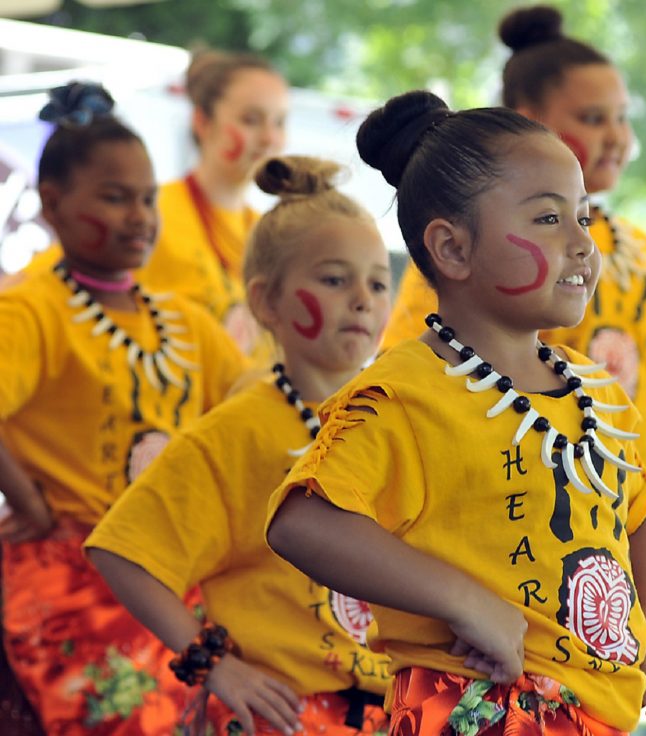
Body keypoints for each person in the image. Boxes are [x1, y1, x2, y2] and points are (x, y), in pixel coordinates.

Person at [265, 90, 646, 735]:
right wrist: (462, 601)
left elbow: (635, 514)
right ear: (453, 250)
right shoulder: (407, 389)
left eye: (584, 218)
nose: (580, 244)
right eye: (548, 219)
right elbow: (302, 523)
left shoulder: (596, 390)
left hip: (595, 713)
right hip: (470, 708)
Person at [87, 155, 393, 736]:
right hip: (284, 716)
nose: (362, 298)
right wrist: (215, 667)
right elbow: (122, 552)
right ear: (266, 302)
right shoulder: (236, 431)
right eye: (334, 279)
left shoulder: (395, 417)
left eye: (378, 281)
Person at [0, 82, 246, 734]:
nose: (140, 216)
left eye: (145, 198)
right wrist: (26, 500)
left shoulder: (184, 323)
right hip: (72, 581)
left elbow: (254, 404)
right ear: (51, 203)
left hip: (175, 580)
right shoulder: (32, 312)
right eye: (114, 198)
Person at [380, 5, 646, 465]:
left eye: (622, 117)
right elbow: (419, 378)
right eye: (594, 119)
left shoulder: (641, 249)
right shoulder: (472, 255)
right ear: (528, 121)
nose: (617, 136)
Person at [22, 50, 289, 356]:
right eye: (251, 120)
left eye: (280, 122)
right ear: (202, 121)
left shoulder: (271, 235)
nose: (270, 138)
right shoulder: (149, 214)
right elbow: (39, 280)